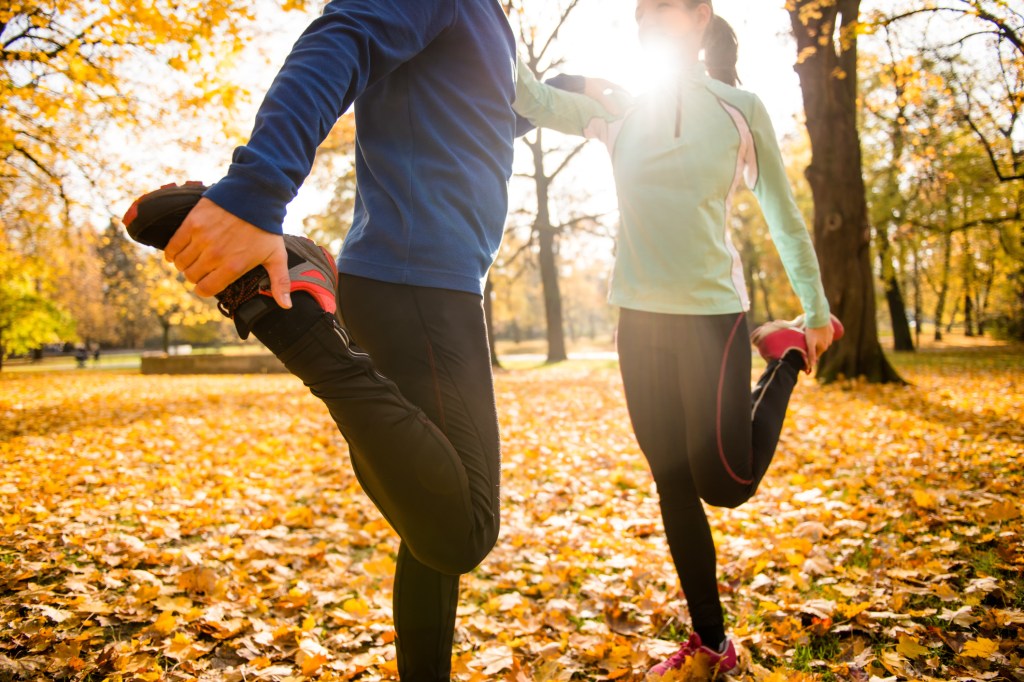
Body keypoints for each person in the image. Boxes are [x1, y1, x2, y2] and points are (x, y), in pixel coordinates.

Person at [123, 2, 518, 680]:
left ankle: (300, 297)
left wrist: (592, 103)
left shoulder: (489, 22)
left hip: (420, 280)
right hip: (420, 281)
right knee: (462, 532)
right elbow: (346, 33)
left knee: (426, 524)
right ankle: (293, 317)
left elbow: (493, 108)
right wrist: (256, 190)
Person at [512, 0, 843, 677]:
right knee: (670, 481)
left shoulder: (739, 107)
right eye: (645, 8)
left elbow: (781, 212)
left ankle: (782, 358)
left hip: (711, 317)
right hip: (637, 319)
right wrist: (496, 28)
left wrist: (813, 308)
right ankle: (714, 645)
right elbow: (526, 97)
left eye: (668, 6)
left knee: (726, 483)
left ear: (699, 19)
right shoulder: (619, 110)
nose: (652, 15)